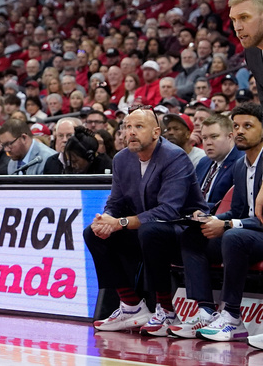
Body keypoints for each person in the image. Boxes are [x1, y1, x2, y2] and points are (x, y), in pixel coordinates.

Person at [84, 107, 205, 335]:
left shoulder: (174, 156)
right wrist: (107, 218)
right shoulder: (122, 159)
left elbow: (169, 211)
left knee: (151, 231)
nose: (131, 132)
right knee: (93, 233)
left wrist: (120, 223)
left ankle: (166, 310)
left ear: (156, 132)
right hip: (143, 228)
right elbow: (116, 201)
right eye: (128, 127)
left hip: (182, 230)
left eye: (138, 127)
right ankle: (131, 306)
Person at [170, 103, 263, 341]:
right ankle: (205, 310)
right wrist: (212, 220)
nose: (240, 131)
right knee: (192, 235)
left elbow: (244, 221)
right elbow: (239, 210)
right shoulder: (242, 166)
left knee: (234, 236)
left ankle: (232, 316)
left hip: (254, 234)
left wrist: (229, 225)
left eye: (248, 126)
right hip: (250, 232)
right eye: (237, 126)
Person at [195, 114, 241, 210]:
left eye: (214, 136)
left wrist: (197, 209)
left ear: (230, 137)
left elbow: (233, 206)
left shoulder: (241, 163)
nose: (208, 142)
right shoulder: (203, 162)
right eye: (204, 138)